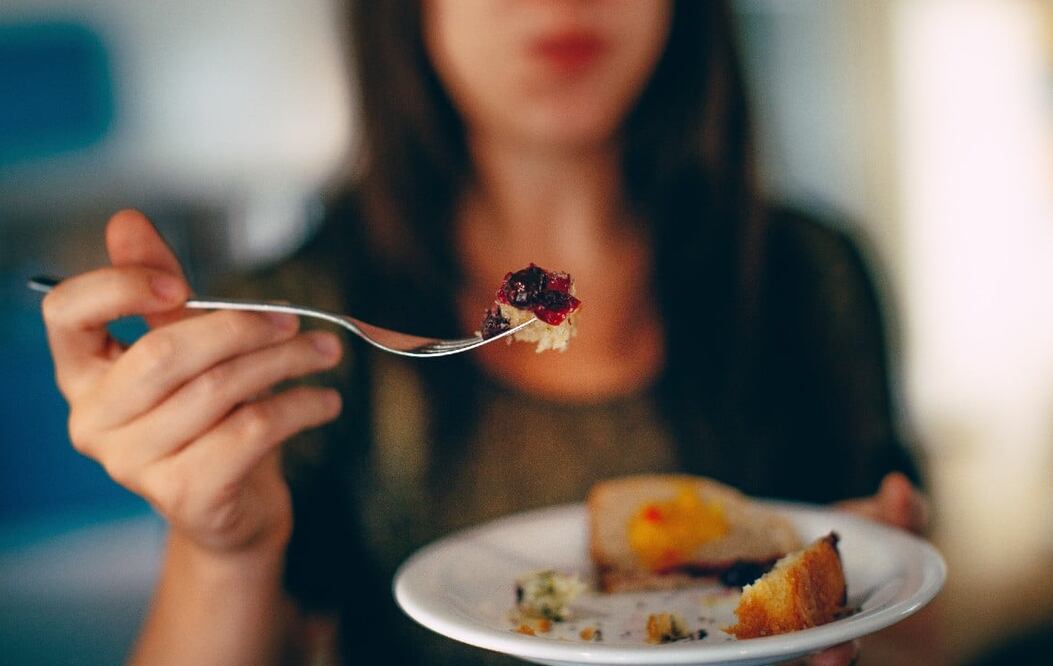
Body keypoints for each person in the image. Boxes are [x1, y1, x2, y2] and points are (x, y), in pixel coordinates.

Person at [38, 1, 935, 663]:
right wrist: (223, 550)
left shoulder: (814, 273)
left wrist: (863, 610)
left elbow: (906, 624)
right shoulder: (282, 325)